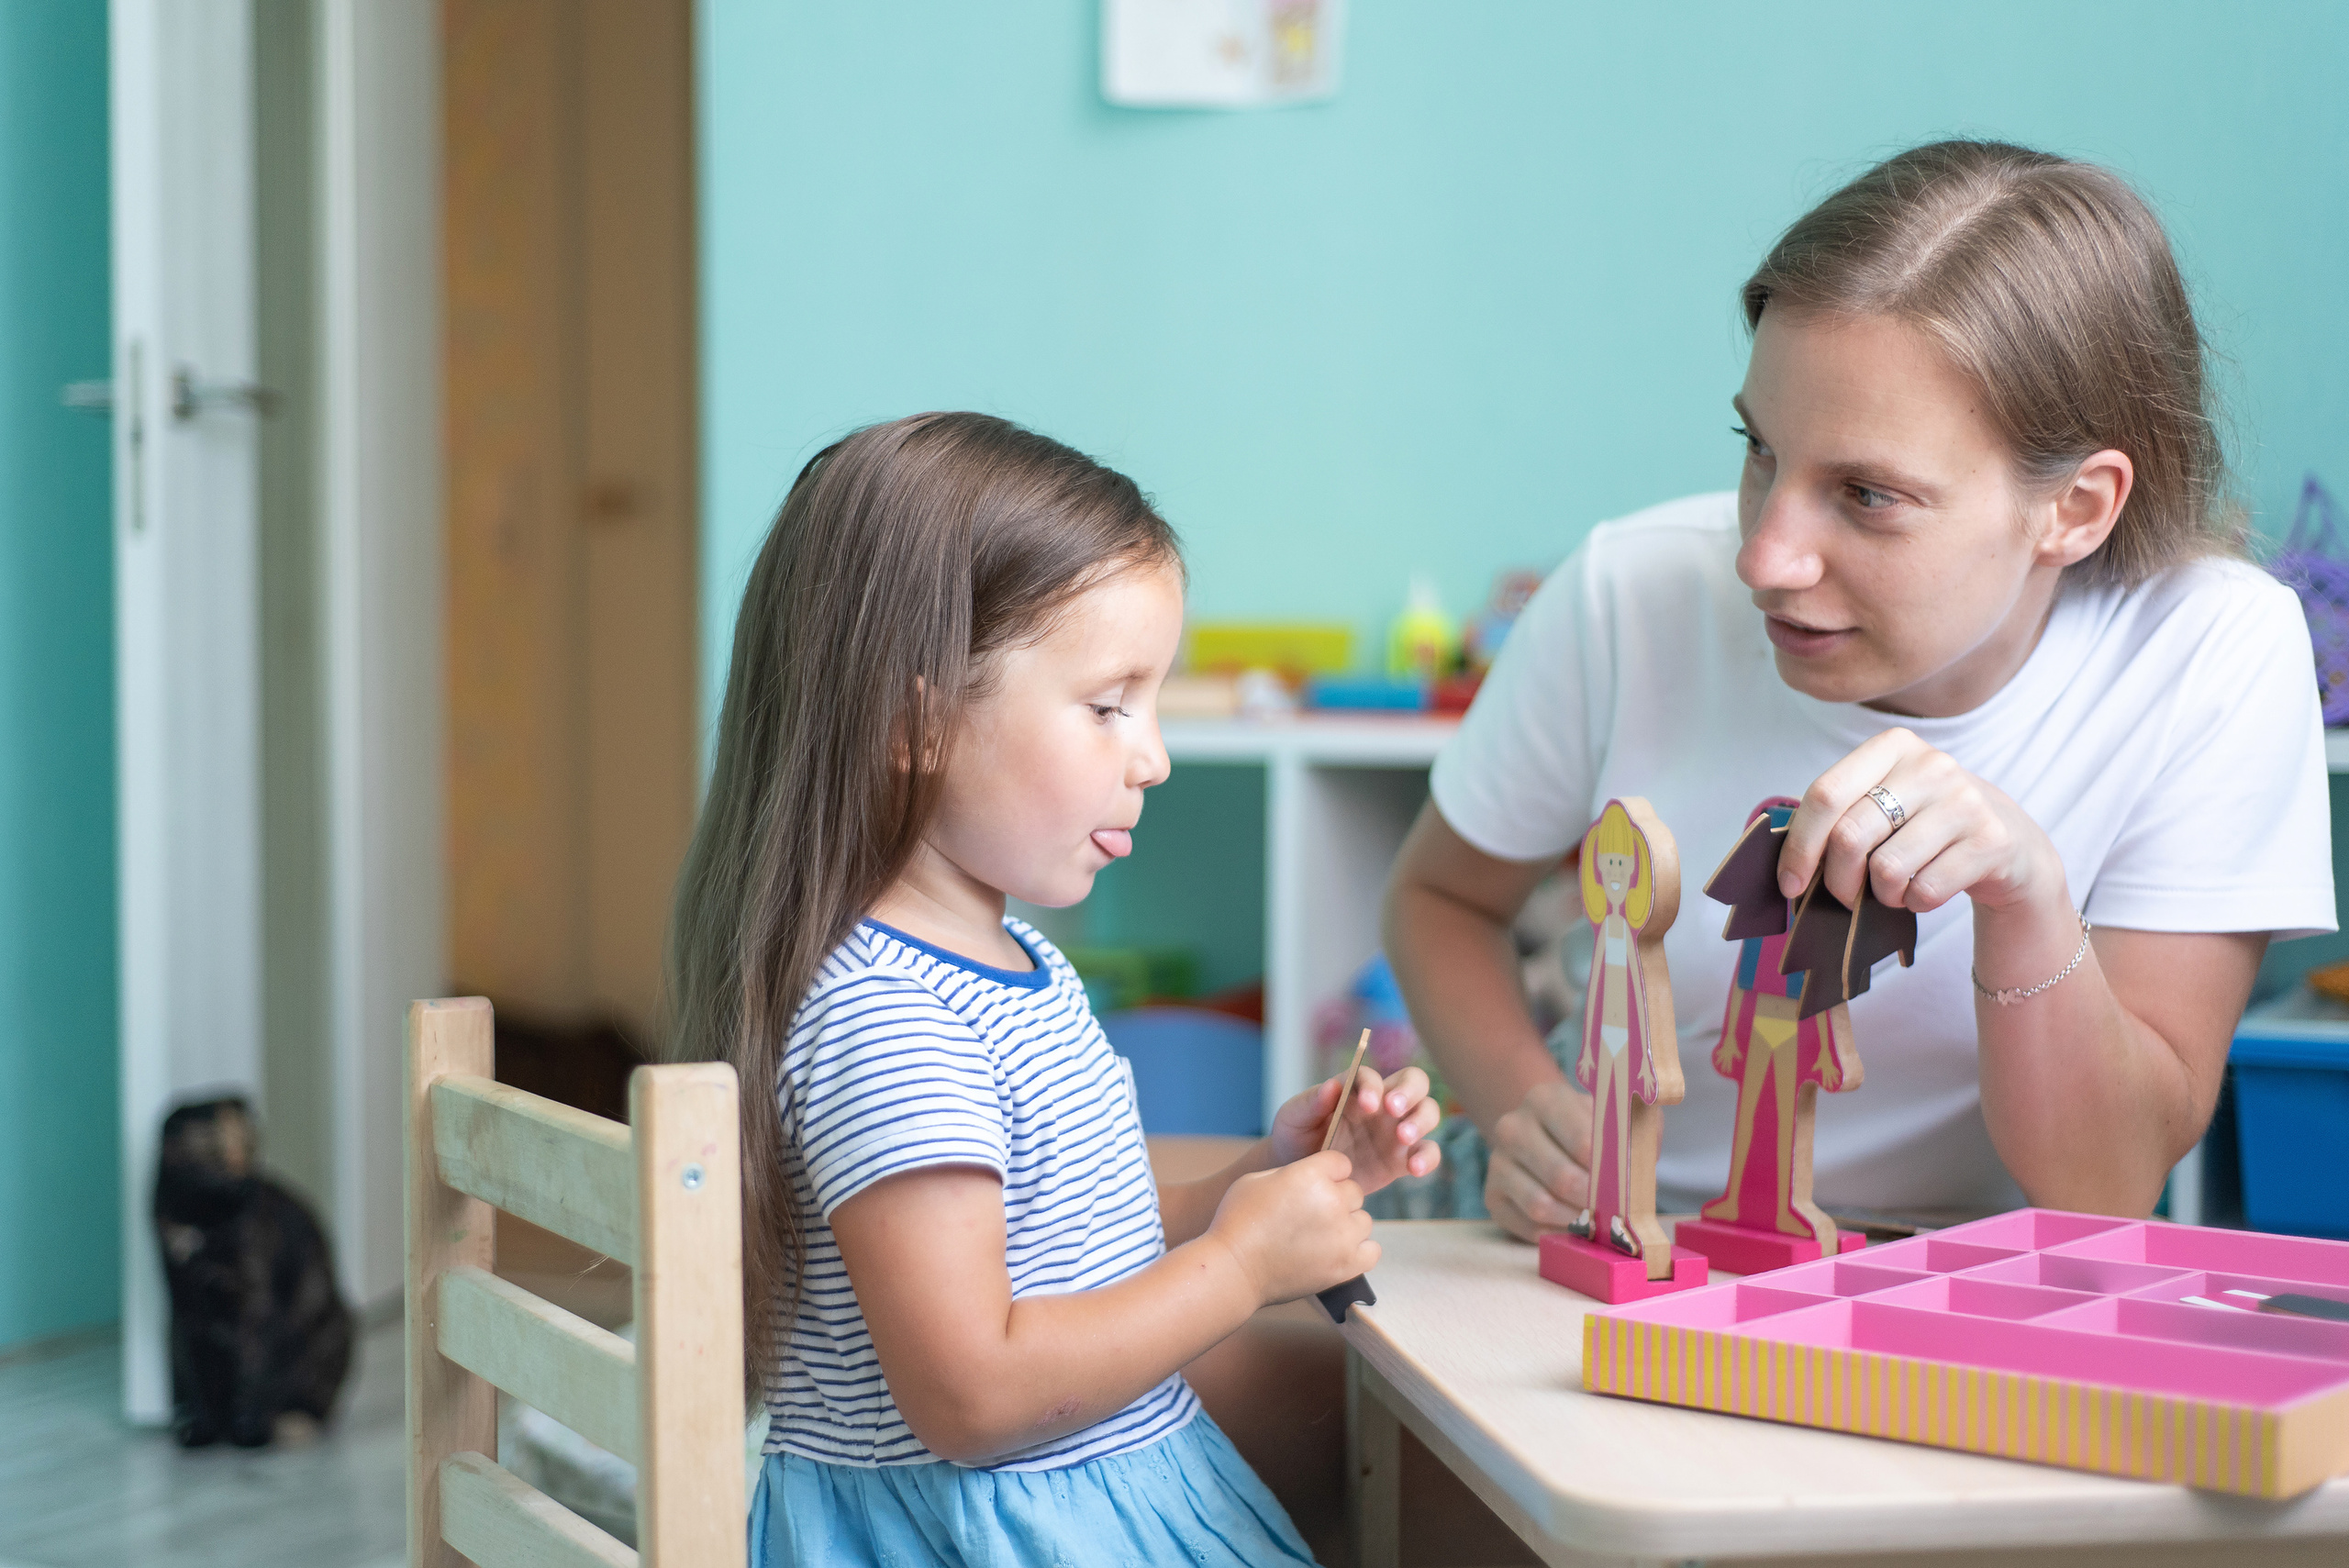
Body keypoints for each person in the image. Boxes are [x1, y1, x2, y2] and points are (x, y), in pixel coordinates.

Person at [1384, 139, 2335, 1242]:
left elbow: (2101, 1184)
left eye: (1869, 494)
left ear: (2074, 508)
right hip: (1602, 1232)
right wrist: (1520, 1112)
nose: (1764, 557)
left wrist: (2023, 893)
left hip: (1932, 1275)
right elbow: (1439, 900)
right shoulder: (1628, 590)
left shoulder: (2211, 649)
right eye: (1758, 449)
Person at [666, 412, 1444, 1567]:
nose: (1153, 755)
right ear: (915, 723)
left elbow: (1069, 1243)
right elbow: (974, 1392)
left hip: (1071, 1499)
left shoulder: (1008, 962)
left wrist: (1259, 1178)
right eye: (1107, 703)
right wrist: (1239, 1267)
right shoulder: (891, 1020)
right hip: (988, 1528)